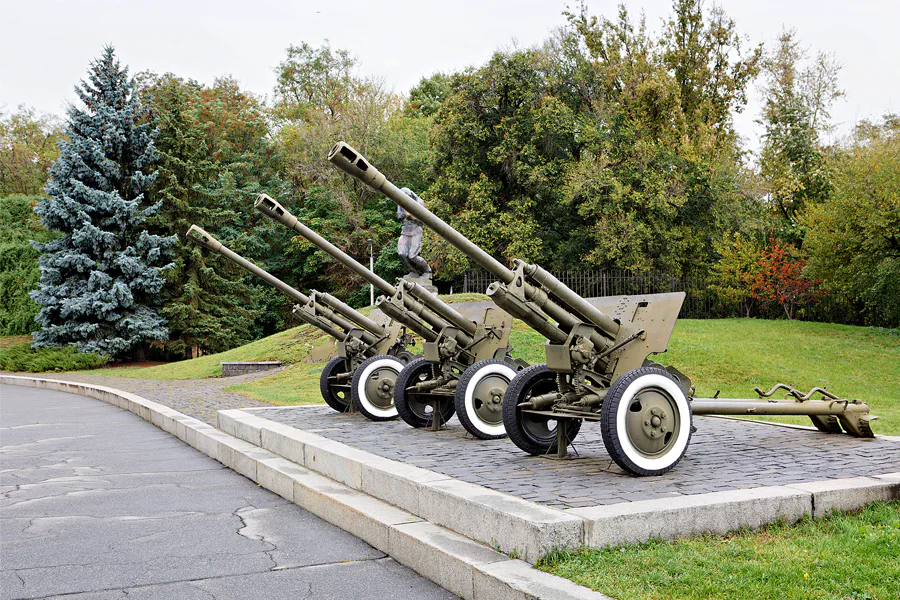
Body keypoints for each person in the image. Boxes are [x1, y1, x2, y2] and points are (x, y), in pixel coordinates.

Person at [397, 188, 432, 278]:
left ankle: (427, 271)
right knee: (401, 253)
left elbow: (422, 219)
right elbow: (400, 216)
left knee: (412, 255)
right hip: (405, 229)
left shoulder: (419, 202)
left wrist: (409, 215)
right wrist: (404, 210)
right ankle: (414, 271)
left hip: (416, 230)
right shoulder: (399, 201)